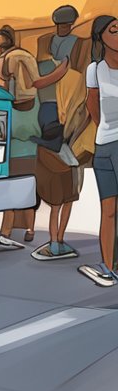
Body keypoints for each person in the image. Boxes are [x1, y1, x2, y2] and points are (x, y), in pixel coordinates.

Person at [0, 25, 68, 249]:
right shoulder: (26, 99)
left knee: (22, 193)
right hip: (22, 153)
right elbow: (39, 83)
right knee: (23, 192)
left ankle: (19, 230)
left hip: (19, 153)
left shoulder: (8, 100)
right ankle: (18, 230)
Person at [31, 7, 85, 261]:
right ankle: (56, 241)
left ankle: (57, 241)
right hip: (57, 121)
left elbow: (39, 83)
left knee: (63, 194)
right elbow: (40, 83)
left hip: (61, 121)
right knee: (64, 193)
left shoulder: (59, 52)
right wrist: (61, 71)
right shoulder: (61, 60)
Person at [79, 15, 118, 287]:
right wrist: (106, 129)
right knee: (108, 210)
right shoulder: (94, 70)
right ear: (100, 37)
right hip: (104, 146)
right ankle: (107, 265)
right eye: (113, 31)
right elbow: (92, 106)